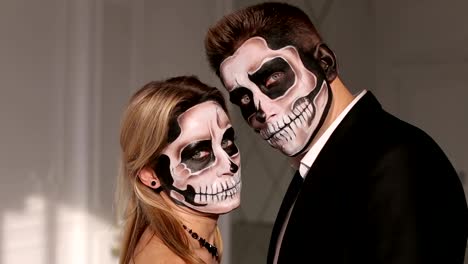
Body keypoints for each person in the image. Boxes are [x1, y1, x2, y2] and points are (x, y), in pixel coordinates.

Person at [204, 2, 468, 263]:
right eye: (244, 100)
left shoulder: (398, 160)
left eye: (272, 79)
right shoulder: (315, 168)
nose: (261, 109)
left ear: (325, 63)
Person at [115, 75, 242, 264]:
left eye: (226, 141)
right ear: (150, 174)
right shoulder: (170, 258)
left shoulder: (199, 240)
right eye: (198, 153)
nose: (228, 165)